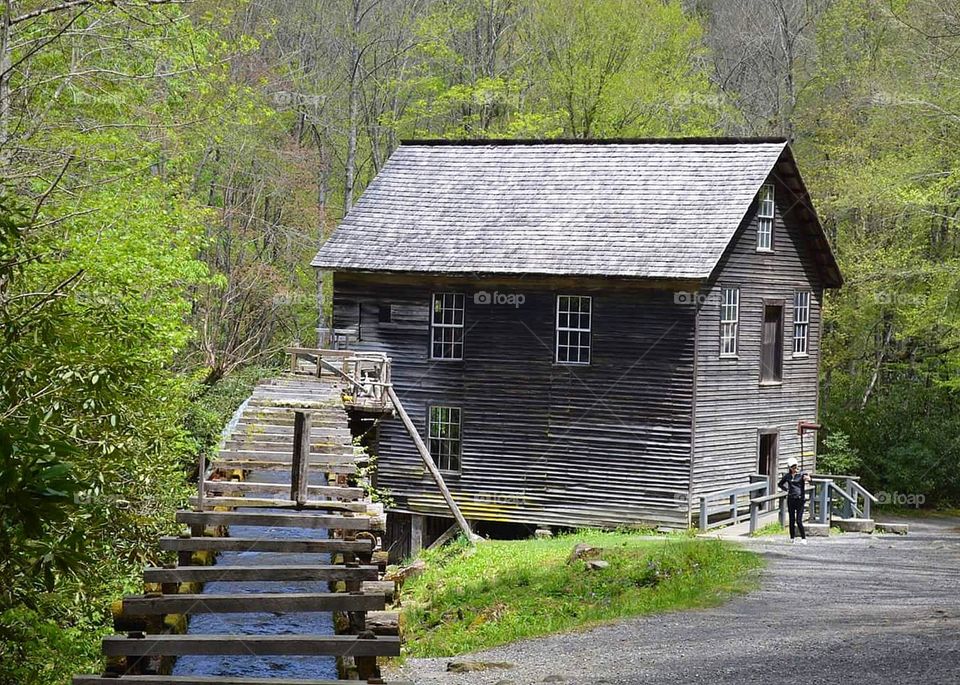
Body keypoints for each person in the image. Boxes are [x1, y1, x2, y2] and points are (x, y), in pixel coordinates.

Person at [778, 457, 810, 544]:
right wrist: (786, 489)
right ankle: (792, 538)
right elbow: (780, 484)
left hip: (800, 499)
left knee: (798, 520)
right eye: (793, 467)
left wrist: (808, 478)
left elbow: (808, 478)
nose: (795, 469)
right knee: (791, 520)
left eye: (795, 467)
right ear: (790, 468)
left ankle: (803, 538)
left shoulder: (801, 474)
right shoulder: (787, 476)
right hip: (791, 499)